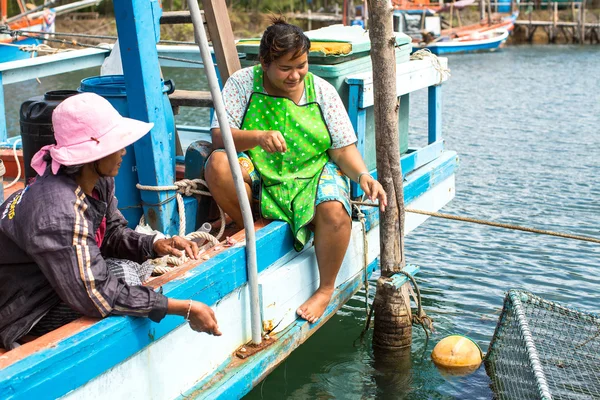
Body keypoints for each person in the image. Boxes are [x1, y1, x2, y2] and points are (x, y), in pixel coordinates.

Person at [0, 93, 220, 350]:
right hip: (24, 308)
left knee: (126, 275)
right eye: (115, 145)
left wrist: (155, 244)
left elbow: (111, 233)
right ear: (90, 156)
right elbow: (98, 295)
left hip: (50, 282)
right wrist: (182, 307)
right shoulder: (58, 212)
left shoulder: (95, 180)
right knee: (125, 277)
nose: (124, 151)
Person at [205, 18, 387, 324]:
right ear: (264, 63)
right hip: (260, 169)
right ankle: (252, 221)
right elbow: (218, 136)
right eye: (285, 68)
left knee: (334, 211)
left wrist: (364, 176)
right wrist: (258, 137)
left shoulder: (323, 92)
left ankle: (325, 289)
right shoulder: (241, 83)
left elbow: (342, 149)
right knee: (218, 165)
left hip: (311, 171)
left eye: (301, 65)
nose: (295, 75)